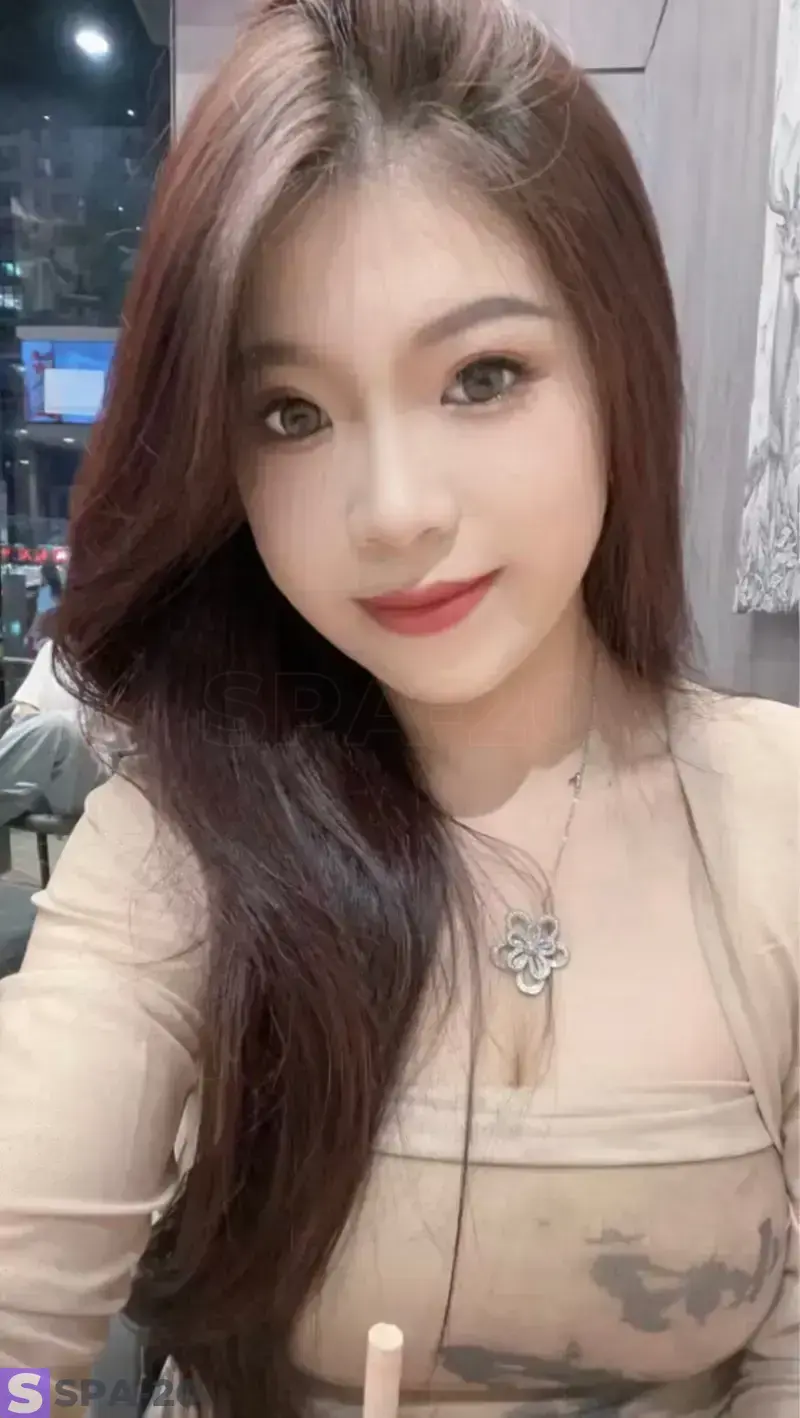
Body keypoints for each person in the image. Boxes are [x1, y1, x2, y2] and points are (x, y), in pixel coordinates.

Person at [0, 2, 796, 1416]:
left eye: (482, 376)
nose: (392, 512)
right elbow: (17, 1315)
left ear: (618, 368)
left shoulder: (777, 814)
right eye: (291, 414)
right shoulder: (180, 844)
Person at [0, 638, 107, 828]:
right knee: (53, 729)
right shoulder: (55, 649)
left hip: (99, 778)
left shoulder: (131, 656)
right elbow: (25, 710)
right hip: (33, 780)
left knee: (58, 730)